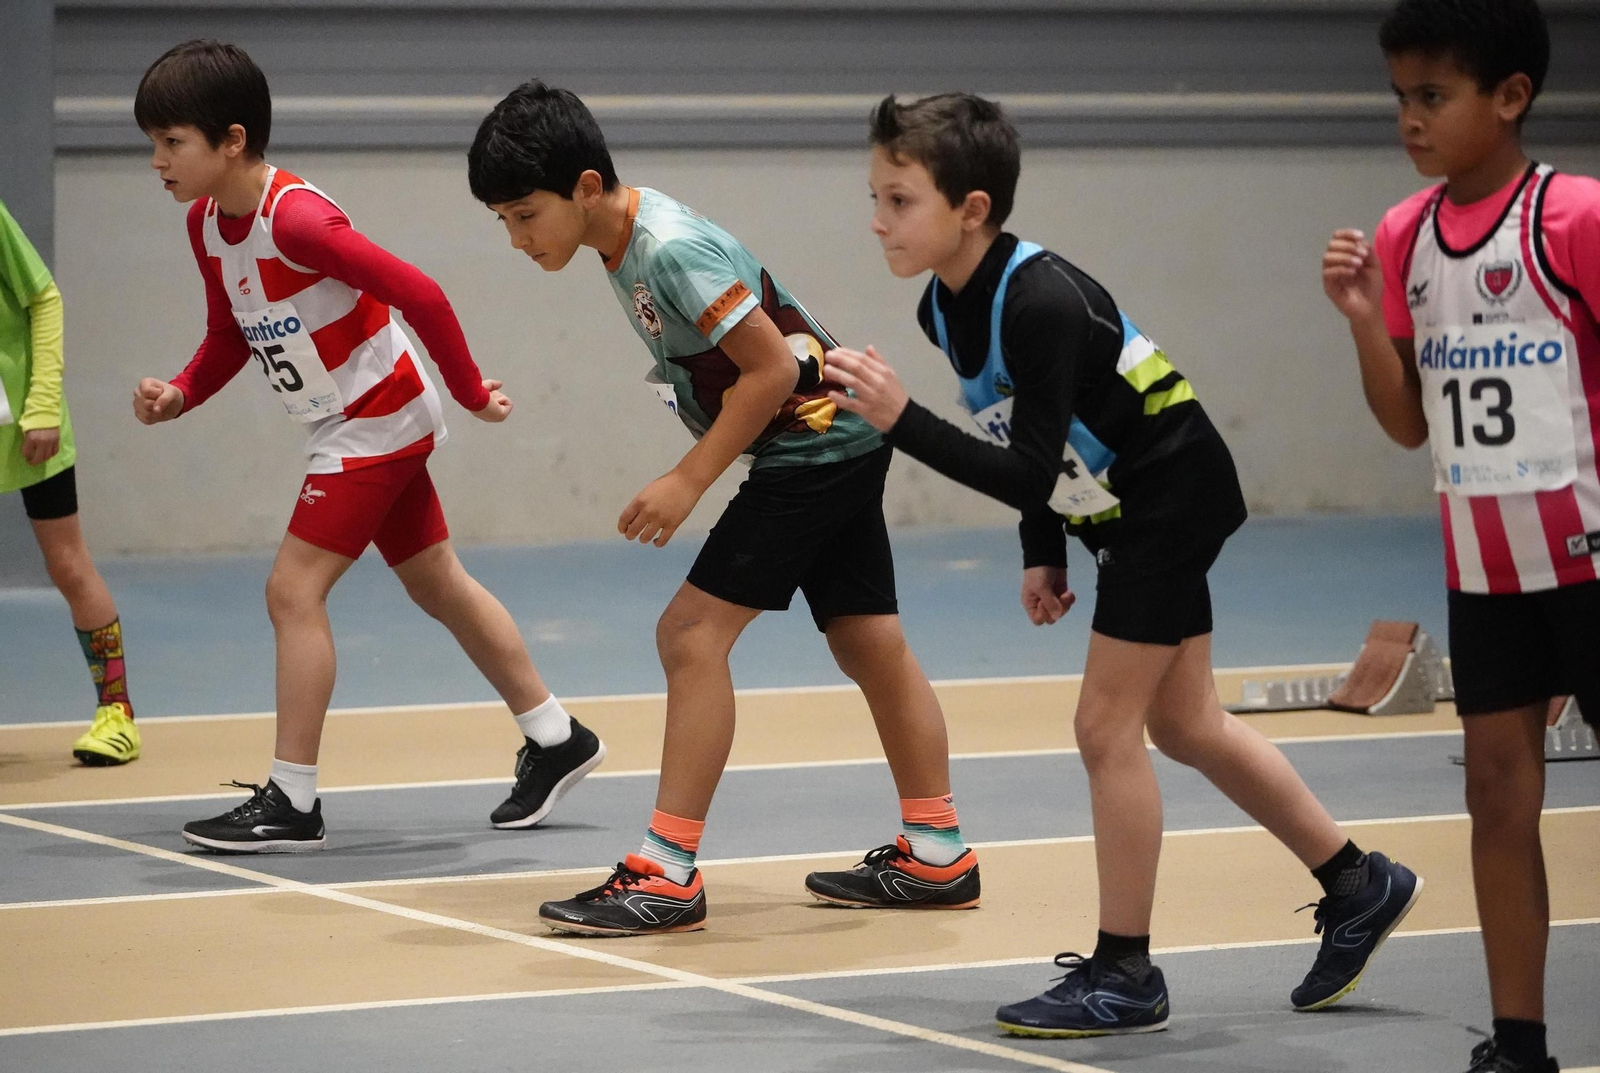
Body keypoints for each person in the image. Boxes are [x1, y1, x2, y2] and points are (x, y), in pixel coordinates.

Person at [826, 91, 1421, 1037]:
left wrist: (902, 422)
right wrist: (1042, 545)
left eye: (898, 199)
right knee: (1185, 723)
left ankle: (1125, 970)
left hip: (1170, 497)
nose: (877, 219)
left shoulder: (1041, 300)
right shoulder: (945, 305)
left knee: (1106, 727)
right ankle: (1359, 880)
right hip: (1122, 510)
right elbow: (1025, 434)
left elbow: (1021, 459)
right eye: (876, 196)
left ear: (971, 208)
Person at [466, 80, 977, 936]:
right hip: (836, 437)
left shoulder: (665, 247)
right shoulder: (619, 240)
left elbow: (771, 368)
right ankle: (937, 851)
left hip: (812, 443)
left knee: (690, 634)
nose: (519, 239)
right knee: (868, 639)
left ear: (586, 187)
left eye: (525, 215)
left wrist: (687, 479)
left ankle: (666, 873)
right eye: (504, 223)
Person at [131, 40, 602, 853]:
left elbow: (418, 289)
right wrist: (181, 391)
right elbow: (228, 334)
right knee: (439, 583)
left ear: (232, 140)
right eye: (154, 145)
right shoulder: (207, 224)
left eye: (172, 143)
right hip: (348, 421)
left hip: (377, 416)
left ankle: (294, 798)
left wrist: (469, 388)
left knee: (292, 590)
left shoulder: (299, 219)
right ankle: (558, 736)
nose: (157, 162)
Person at [1322, 1, 1596, 1067]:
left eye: (1431, 96)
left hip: (1593, 559)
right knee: (1496, 796)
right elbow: (1406, 423)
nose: (1409, 119)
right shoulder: (1402, 236)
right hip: (1485, 571)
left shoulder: (1573, 217)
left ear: (1510, 98)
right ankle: (1517, 1039)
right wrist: (1358, 317)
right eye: (1399, 97)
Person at [1, 198, 140, 766]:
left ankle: (117, 715)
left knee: (67, 563)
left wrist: (42, 405)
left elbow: (44, 298)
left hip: (27, 424)